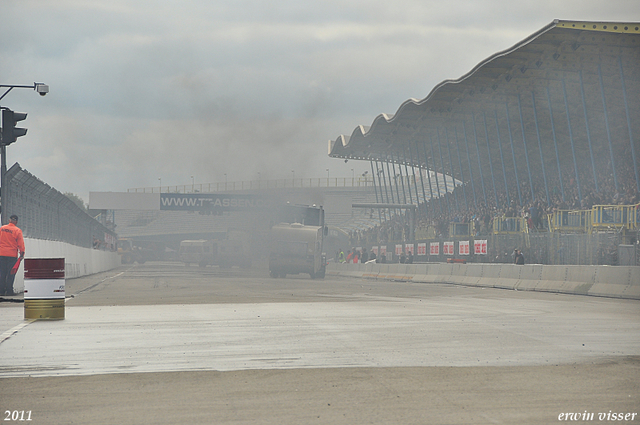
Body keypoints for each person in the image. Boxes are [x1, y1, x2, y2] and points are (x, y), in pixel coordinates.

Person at [0, 215, 26, 296]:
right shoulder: (17, 230)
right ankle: (9, 291)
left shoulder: (2, 228)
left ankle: (1, 291)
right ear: (16, 222)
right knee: (11, 273)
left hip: (1, 254)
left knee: (2, 273)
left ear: (9, 220)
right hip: (12, 255)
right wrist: (22, 254)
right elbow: (20, 244)